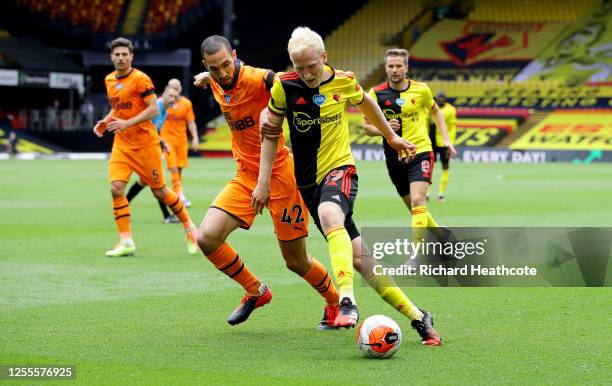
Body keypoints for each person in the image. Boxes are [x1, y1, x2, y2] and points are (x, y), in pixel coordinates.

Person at [257, 27, 442, 343]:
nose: (306, 73)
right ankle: (419, 317)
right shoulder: (283, 87)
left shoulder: (343, 80)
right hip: (308, 185)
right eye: (299, 67)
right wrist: (263, 183)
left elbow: (367, 103)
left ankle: (347, 300)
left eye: (312, 66)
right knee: (360, 259)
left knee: (331, 215)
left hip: (340, 170)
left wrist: (392, 137)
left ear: (324, 57)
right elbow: (270, 133)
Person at [193, 35, 341, 328]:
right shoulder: (213, 80)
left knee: (296, 262)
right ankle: (255, 290)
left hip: (282, 176)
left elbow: (294, 80)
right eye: (214, 68)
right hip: (246, 175)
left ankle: (334, 302)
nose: (222, 73)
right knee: (207, 238)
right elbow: (212, 78)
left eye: (226, 64)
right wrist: (204, 77)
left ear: (235, 55)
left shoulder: (262, 79)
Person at [93, 37, 199, 257]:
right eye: (117, 54)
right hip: (122, 145)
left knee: (160, 192)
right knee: (116, 189)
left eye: (125, 54)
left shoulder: (141, 79)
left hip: (145, 146)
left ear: (131, 56)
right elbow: (118, 110)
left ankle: (191, 230)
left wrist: (126, 123)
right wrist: (106, 120)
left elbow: (152, 110)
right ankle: (126, 241)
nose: (121, 58)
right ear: (111, 56)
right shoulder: (110, 80)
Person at [364, 48, 456, 245]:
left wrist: (446, 139)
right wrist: (385, 129)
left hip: (420, 151)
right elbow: (367, 128)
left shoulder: (421, 89)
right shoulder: (376, 94)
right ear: (386, 68)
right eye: (391, 66)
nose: (395, 70)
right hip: (394, 157)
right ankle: (441, 235)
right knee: (416, 209)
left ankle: (416, 256)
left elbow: (437, 112)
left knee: (418, 201)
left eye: (399, 66)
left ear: (406, 67)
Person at [125, 85, 181, 223]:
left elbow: (153, 131)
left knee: (145, 181)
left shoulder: (165, 111)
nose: (173, 99)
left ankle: (122, 207)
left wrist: (162, 143)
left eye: (175, 97)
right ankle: (167, 216)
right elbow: (144, 128)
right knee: (157, 183)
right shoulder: (156, 107)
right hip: (139, 147)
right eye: (170, 96)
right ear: (163, 95)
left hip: (148, 147)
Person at [159, 78, 199, 207]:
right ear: (167, 89)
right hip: (167, 140)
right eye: (172, 88)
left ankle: (177, 193)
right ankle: (180, 196)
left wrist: (195, 137)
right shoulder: (162, 103)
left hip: (181, 140)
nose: (175, 91)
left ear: (180, 89)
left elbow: (191, 122)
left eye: (177, 88)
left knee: (179, 168)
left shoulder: (186, 103)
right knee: (173, 167)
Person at [429, 91, 456, 202]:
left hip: (443, 142)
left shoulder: (451, 110)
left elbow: (452, 127)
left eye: (442, 97)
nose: (440, 99)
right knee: (428, 167)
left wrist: (450, 143)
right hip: (430, 141)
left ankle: (441, 194)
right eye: (439, 97)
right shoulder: (430, 107)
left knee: (445, 166)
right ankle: (426, 193)